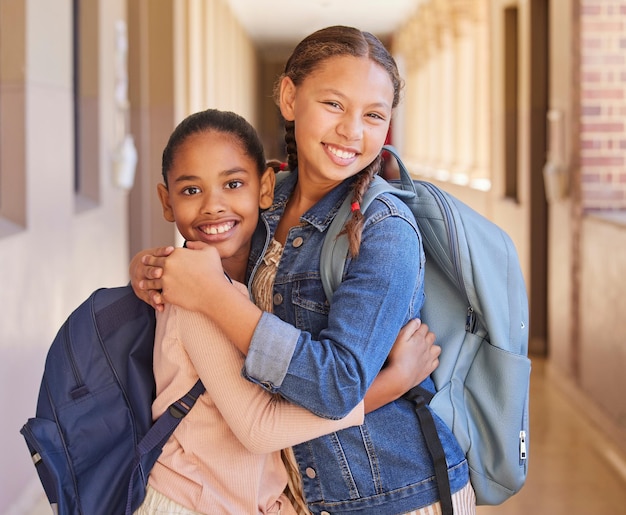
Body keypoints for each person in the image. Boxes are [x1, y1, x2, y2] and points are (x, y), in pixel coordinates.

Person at [132, 26, 475, 514]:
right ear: (290, 97)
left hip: (392, 494)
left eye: (374, 115)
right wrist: (148, 267)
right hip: (299, 495)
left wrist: (211, 297)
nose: (351, 131)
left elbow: (337, 385)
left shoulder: (384, 230)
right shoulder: (263, 199)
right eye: (333, 104)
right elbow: (207, 254)